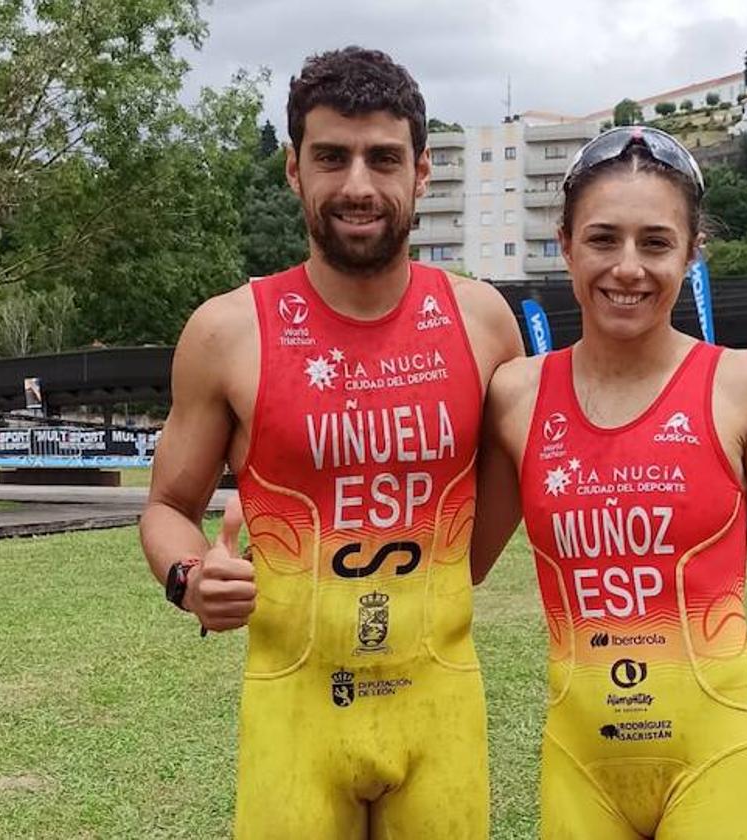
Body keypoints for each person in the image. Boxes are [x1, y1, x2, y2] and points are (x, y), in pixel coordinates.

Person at [139, 46, 523, 838]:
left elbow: (500, 505)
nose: (357, 185)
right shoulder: (227, 331)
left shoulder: (482, 322)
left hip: (439, 706)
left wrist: (448, 574)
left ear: (420, 172)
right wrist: (188, 578)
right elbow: (168, 505)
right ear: (292, 170)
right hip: (294, 712)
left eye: (383, 158)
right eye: (331, 157)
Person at [471, 127, 747, 839]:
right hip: (579, 771)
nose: (627, 268)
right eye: (603, 239)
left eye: (655, 242)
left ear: (692, 251)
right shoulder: (513, 397)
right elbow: (458, 564)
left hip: (721, 759)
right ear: (565, 244)